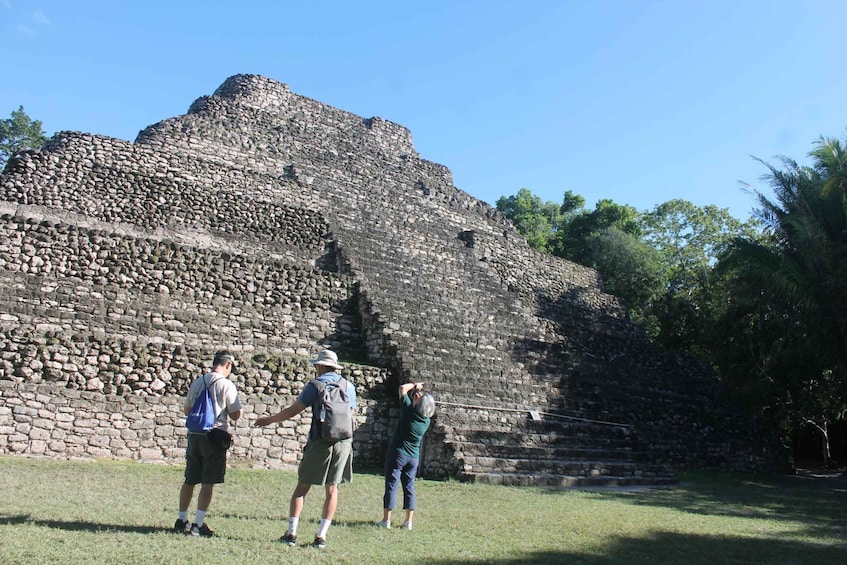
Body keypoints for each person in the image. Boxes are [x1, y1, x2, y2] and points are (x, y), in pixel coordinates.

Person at [254, 349, 356, 549]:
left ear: (319, 366)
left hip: (319, 441)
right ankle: (321, 536)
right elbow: (350, 414)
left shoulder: (315, 385)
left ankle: (291, 533)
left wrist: (270, 419)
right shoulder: (348, 386)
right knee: (332, 489)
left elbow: (294, 410)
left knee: (302, 487)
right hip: (343, 442)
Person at [174, 350, 242, 537]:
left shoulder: (198, 382)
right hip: (213, 435)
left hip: (194, 435)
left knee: (190, 479)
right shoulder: (226, 385)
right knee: (208, 481)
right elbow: (236, 414)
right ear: (227, 365)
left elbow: (187, 410)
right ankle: (198, 524)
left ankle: (181, 519)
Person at [376, 382, 435, 531]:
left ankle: (386, 519)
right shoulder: (425, 421)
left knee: (392, 484)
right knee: (409, 487)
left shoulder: (409, 412)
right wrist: (418, 397)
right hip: (413, 457)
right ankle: (408, 521)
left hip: (398, 453)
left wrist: (415, 385)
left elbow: (402, 388)